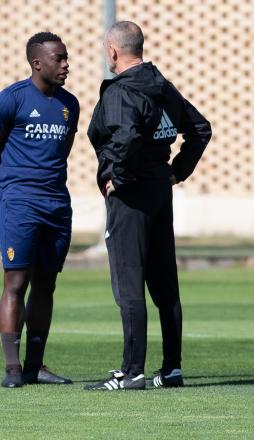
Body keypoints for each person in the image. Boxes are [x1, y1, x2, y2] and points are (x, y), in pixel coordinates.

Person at [84, 21, 212, 391]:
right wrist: (175, 172)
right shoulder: (162, 87)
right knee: (164, 284)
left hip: (133, 194)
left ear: (112, 51)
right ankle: (171, 369)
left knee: (129, 283)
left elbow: (125, 136)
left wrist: (116, 179)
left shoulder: (123, 92)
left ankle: (132, 371)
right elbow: (200, 129)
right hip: (159, 189)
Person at [0, 32, 79, 388]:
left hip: (56, 204)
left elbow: (61, 152)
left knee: (46, 284)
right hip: (20, 202)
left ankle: (35, 366)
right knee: (16, 282)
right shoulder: (12, 98)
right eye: (59, 58)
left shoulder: (70, 104)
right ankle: (12, 370)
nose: (66, 64)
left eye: (67, 58)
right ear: (37, 62)